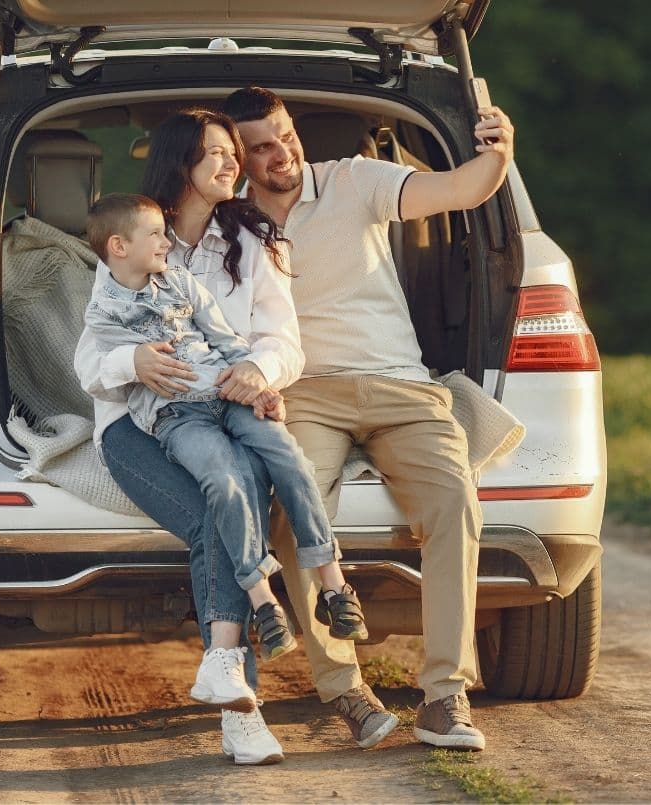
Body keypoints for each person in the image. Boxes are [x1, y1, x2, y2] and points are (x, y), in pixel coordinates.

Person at [74, 110, 400, 766]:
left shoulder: (255, 239)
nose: (234, 164)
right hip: (142, 423)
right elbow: (90, 359)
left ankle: (235, 682)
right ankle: (242, 709)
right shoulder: (138, 241)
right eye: (217, 154)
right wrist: (130, 364)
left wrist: (259, 369)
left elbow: (284, 340)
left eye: (232, 152)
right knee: (217, 514)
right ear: (180, 166)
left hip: (231, 403)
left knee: (242, 487)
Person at [219, 86, 515, 751]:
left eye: (285, 135)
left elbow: (462, 189)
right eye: (261, 147)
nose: (281, 154)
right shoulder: (227, 224)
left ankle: (445, 695)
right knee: (296, 512)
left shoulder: (354, 180)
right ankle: (346, 691)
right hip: (306, 394)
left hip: (400, 386)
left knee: (452, 496)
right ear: (237, 156)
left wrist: (500, 152)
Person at [81, 191, 369, 669]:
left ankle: (335, 585)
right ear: (118, 246)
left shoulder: (181, 281)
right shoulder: (103, 313)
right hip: (177, 416)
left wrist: (259, 385)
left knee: (290, 459)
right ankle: (264, 601)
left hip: (226, 394)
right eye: (154, 234)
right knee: (224, 480)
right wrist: (132, 361)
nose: (165, 242)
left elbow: (225, 339)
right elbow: (104, 372)